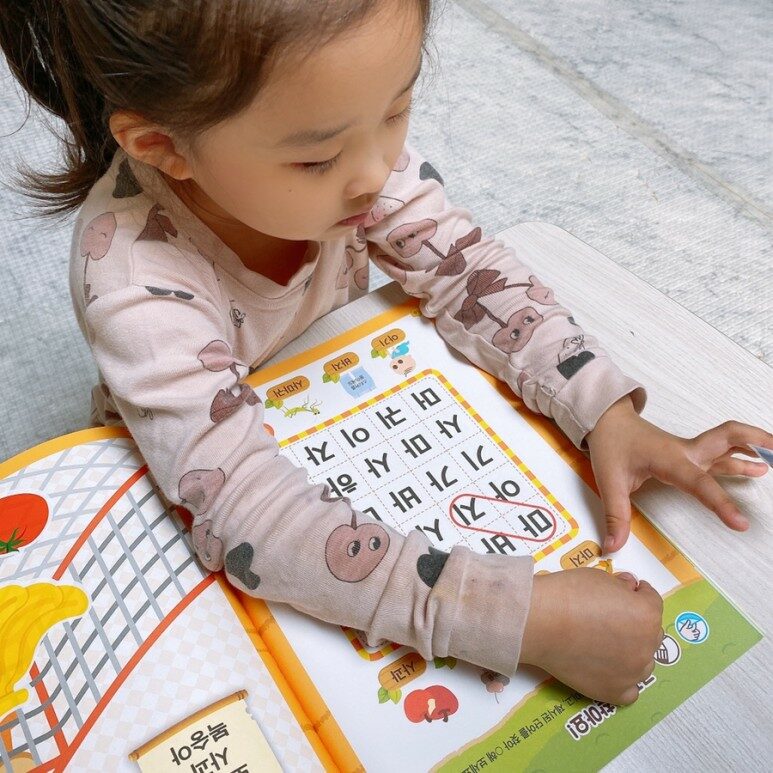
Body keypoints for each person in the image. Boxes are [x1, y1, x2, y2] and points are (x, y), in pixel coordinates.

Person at [1, 0, 769, 707]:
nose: (376, 173)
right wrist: (514, 618)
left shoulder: (350, 146)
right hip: (200, 477)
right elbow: (246, 511)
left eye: (397, 109)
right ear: (164, 147)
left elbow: (464, 269)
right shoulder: (131, 277)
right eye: (316, 159)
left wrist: (603, 409)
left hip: (342, 395)